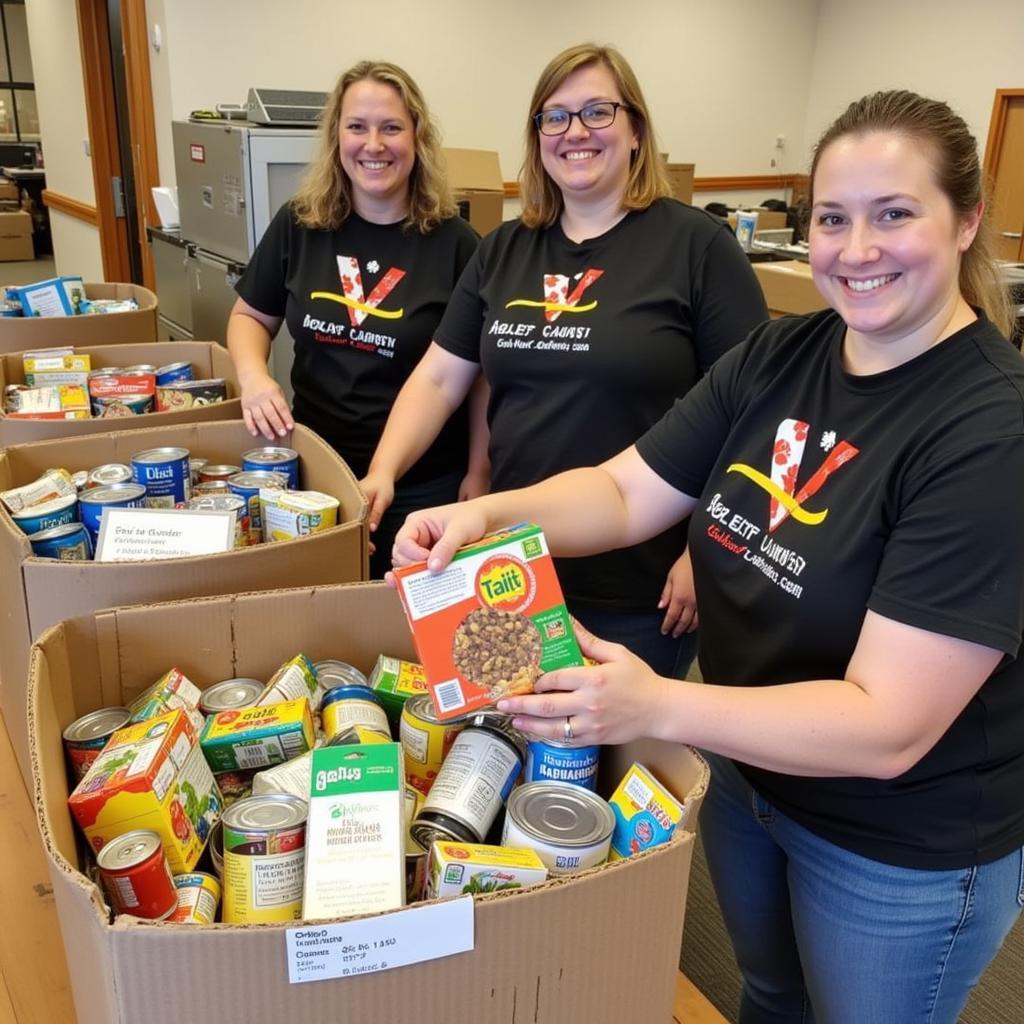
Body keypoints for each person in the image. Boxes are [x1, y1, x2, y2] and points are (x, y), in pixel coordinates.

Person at [392, 90, 1023, 1023]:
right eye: (832, 218)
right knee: (769, 994)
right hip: (751, 777)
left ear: (967, 220)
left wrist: (656, 703)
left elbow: (888, 724)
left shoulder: (989, 432)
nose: (856, 250)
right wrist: (484, 514)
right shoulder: (783, 353)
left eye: (895, 214)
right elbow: (619, 491)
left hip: (896, 843)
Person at [363, 42, 767, 676]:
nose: (575, 132)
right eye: (555, 117)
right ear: (538, 137)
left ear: (636, 129)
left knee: (612, 766)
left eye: (597, 112)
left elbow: (755, 417)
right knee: (513, 753)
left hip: (644, 583)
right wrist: (383, 471)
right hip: (510, 563)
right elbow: (440, 377)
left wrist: (706, 549)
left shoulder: (698, 249)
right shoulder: (503, 251)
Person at [226, 60, 481, 577]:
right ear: (336, 137)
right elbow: (249, 315)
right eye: (357, 127)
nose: (374, 144)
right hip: (317, 465)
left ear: (417, 138)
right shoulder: (301, 224)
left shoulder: (458, 245)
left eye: (391, 127)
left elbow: (478, 378)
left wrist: (481, 469)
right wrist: (253, 378)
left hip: (423, 481)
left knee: (406, 624)